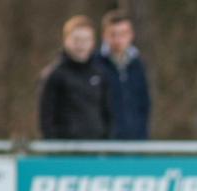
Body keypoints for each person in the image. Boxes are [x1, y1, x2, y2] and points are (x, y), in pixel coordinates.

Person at [39, 15, 112, 140]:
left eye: (86, 40)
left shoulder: (100, 73)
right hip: (65, 150)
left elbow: (108, 112)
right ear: (66, 40)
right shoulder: (54, 74)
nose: (81, 45)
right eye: (76, 40)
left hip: (96, 148)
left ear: (93, 42)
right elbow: (46, 117)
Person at [94, 9, 151, 140]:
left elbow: (145, 104)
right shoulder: (95, 64)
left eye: (123, 34)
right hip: (103, 142)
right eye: (113, 34)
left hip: (135, 140)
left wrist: (142, 134)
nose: (118, 39)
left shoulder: (138, 64)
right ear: (104, 35)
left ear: (131, 35)